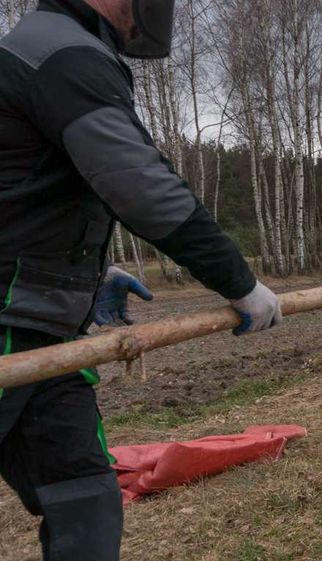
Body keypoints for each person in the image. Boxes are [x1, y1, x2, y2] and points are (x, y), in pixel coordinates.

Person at [0, 0, 282, 559]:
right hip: (9, 322)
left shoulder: (52, 50)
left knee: (84, 499)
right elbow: (140, 187)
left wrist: (89, 275)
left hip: (39, 330)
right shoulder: (62, 55)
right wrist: (240, 283)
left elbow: (28, 193)